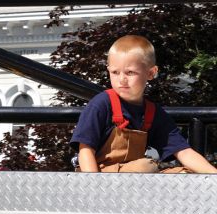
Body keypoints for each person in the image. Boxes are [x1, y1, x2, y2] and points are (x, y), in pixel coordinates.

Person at [70, 35, 217, 173]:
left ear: (151, 73)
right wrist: (94, 186)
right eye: (115, 72)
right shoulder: (101, 104)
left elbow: (184, 152)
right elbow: (85, 150)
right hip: (99, 175)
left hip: (135, 179)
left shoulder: (153, 113)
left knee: (186, 175)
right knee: (146, 166)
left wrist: (213, 175)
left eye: (130, 73)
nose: (122, 79)